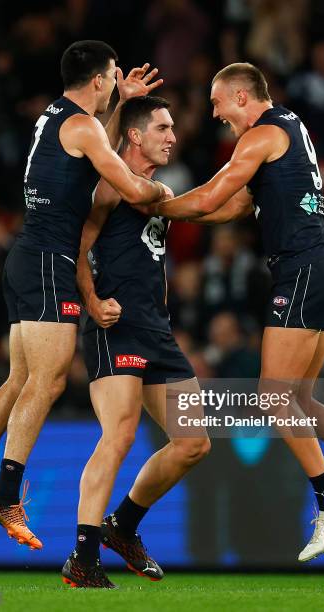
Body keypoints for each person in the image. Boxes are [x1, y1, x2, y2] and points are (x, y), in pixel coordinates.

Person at [133, 63, 324, 562]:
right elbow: (236, 207)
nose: (216, 114)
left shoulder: (260, 135)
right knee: (298, 398)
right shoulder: (289, 127)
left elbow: (215, 195)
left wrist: (150, 203)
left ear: (241, 96)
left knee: (272, 398)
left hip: (303, 269)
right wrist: (176, 212)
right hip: (322, 267)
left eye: (218, 104)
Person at [0, 40, 168, 552]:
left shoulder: (61, 118)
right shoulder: (83, 126)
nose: (114, 86)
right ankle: (5, 491)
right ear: (101, 80)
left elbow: (94, 149)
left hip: (28, 257)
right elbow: (130, 187)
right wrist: (166, 196)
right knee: (48, 378)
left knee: (21, 379)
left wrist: (124, 103)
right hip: (48, 262)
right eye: (112, 79)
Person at [62, 96, 213, 589]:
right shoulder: (107, 184)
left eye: (172, 127)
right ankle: (83, 558)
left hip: (154, 328)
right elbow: (78, 249)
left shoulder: (157, 191)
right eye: (163, 128)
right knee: (121, 433)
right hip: (115, 323)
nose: (173, 136)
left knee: (194, 442)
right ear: (134, 135)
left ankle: (122, 526)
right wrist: (91, 301)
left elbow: (154, 260)